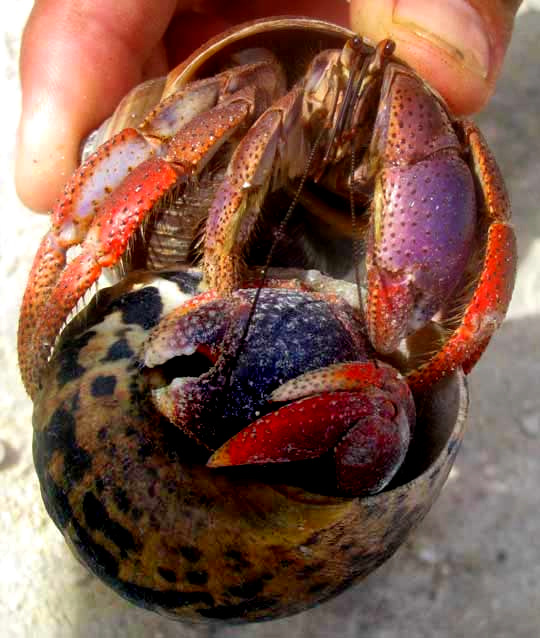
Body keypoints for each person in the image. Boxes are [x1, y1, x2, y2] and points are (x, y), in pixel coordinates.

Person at [16, 0, 523, 212]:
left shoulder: (391, 109)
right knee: (253, 86)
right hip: (233, 119)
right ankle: (218, 258)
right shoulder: (263, 86)